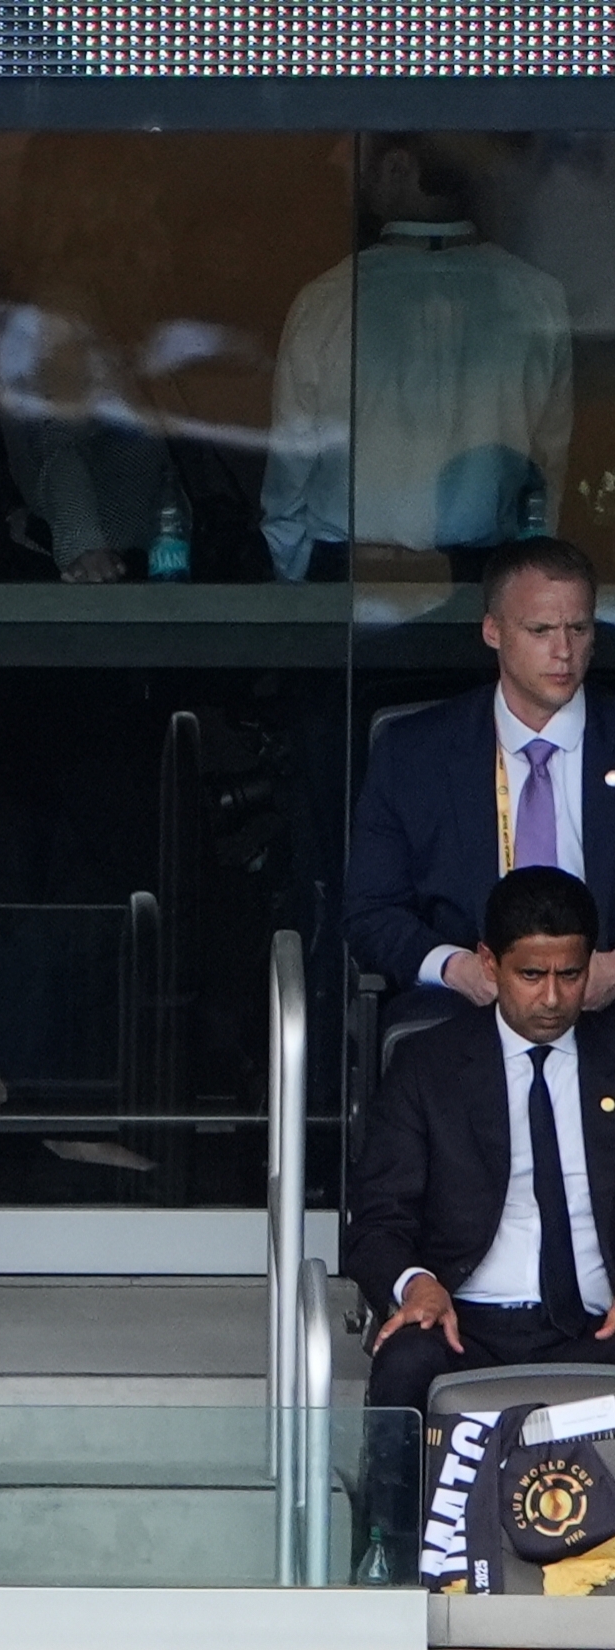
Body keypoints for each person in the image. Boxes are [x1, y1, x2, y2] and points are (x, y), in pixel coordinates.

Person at [348, 865, 615, 1580]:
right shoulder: (429, 1066)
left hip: (595, 1323)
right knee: (404, 1362)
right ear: (490, 963)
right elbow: (377, 1217)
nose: (554, 998)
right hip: (467, 1320)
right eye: (532, 974)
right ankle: (386, 1562)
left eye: (571, 973)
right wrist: (416, 1285)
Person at [262, 135, 571, 583]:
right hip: (483, 579)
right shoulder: (538, 299)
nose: (342, 173)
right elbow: (547, 473)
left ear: (397, 168)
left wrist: (292, 577)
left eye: (355, 164)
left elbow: (291, 470)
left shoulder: (326, 301)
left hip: (344, 573)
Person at [347, 538, 615, 1017]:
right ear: (493, 630)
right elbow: (371, 912)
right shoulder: (413, 754)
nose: (564, 651)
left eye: (578, 628)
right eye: (540, 630)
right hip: (464, 1016)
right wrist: (454, 967)